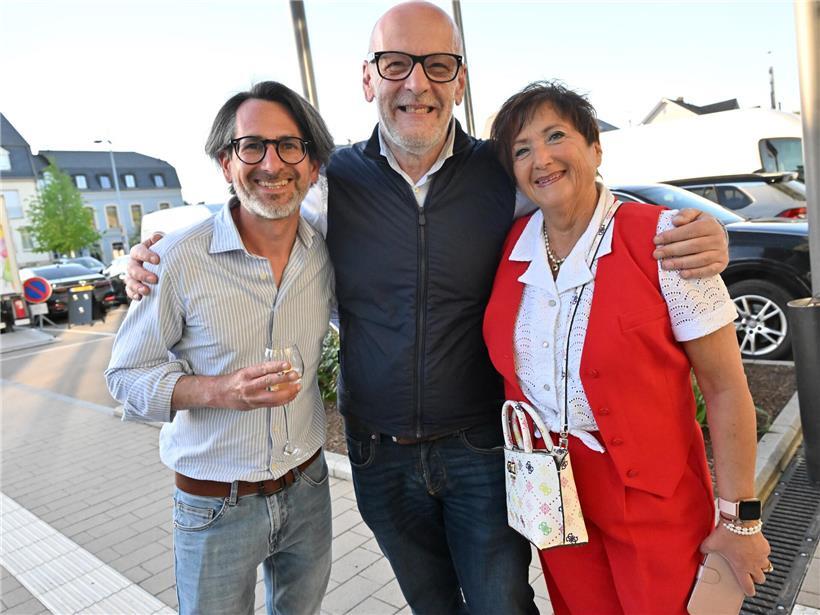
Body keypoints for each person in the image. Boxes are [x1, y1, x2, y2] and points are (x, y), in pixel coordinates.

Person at [125, 3, 730, 612]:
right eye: (395, 64)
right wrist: (156, 255)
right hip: (376, 452)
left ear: (459, 81)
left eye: (438, 66)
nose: (417, 83)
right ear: (369, 80)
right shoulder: (332, 181)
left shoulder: (500, 173)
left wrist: (690, 228)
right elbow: (255, 208)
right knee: (430, 606)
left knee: (501, 604)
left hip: (483, 449)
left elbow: (576, 201)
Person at [484, 80, 771, 614]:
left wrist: (739, 522)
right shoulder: (510, 248)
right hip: (554, 496)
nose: (540, 158)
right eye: (522, 150)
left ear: (595, 148)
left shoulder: (666, 239)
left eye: (555, 137)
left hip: (652, 496)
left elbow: (727, 388)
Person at [106, 81, 336, 615]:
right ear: (225, 163)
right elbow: (124, 377)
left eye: (290, 145)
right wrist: (219, 391)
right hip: (216, 504)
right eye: (251, 145)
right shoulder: (179, 260)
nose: (271, 163)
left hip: (308, 487)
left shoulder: (324, 251)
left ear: (313, 165)